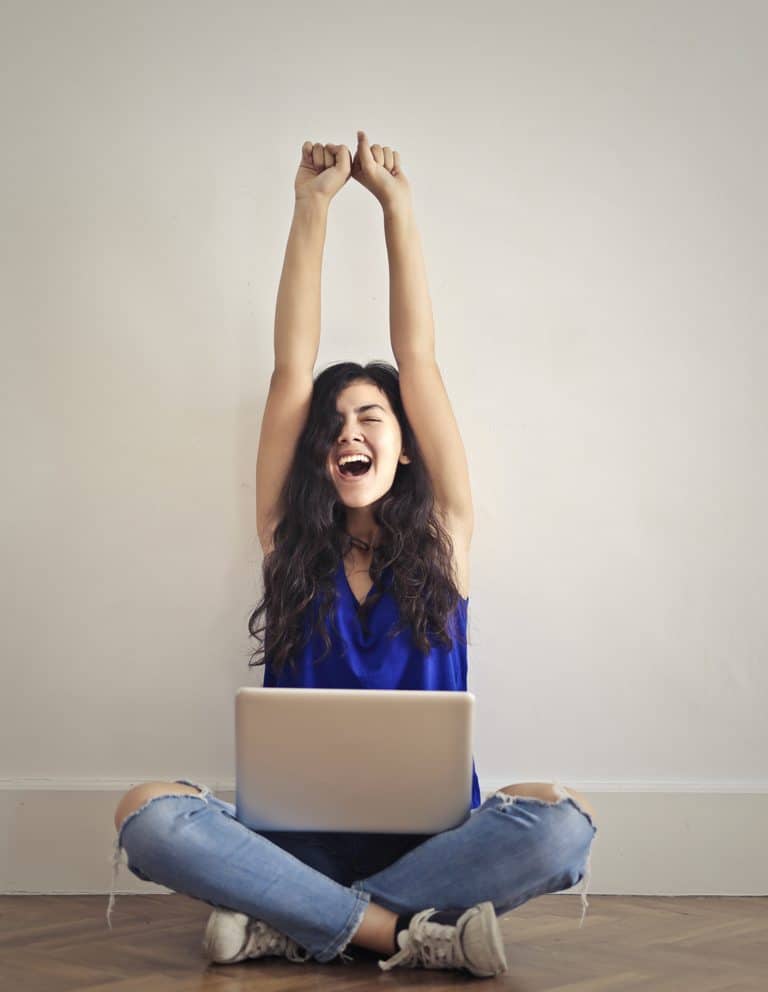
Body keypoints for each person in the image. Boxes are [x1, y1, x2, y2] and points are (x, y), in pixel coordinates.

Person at [106, 131, 598, 977]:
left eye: (371, 417)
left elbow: (420, 360)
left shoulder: (445, 536)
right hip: (293, 847)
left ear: (405, 447)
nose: (348, 431)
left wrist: (397, 208)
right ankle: (400, 935)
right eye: (334, 425)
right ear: (318, 455)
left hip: (434, 844)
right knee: (145, 812)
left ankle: (289, 925)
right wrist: (311, 207)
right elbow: (290, 370)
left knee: (562, 823)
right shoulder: (287, 542)